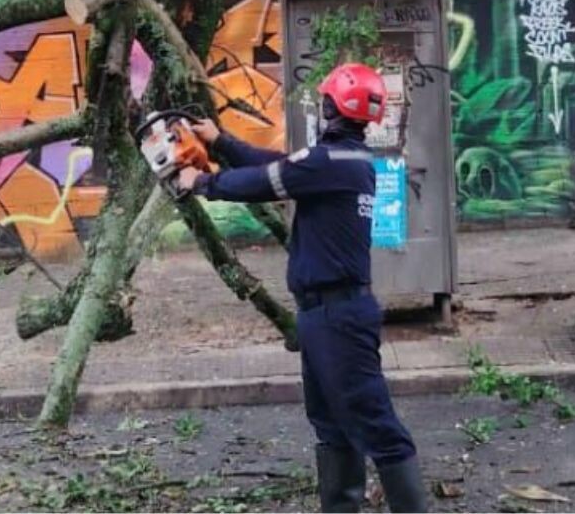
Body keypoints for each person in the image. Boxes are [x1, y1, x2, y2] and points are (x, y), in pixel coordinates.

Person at [177, 62, 427, 514]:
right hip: (324, 314)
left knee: (377, 427)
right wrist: (220, 141)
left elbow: (263, 181)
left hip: (338, 317)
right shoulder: (341, 161)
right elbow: (281, 166)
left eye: (324, 98)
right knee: (331, 424)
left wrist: (202, 182)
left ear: (332, 106)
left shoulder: (330, 163)